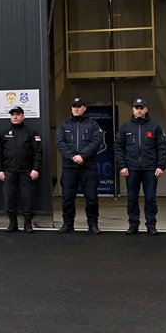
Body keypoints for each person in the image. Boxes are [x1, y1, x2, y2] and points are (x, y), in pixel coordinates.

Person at [115, 98, 166, 235]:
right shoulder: (125, 127)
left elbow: (162, 147)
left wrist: (161, 166)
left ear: (146, 109)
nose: (139, 110)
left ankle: (151, 225)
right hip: (131, 169)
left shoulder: (154, 127)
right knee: (132, 198)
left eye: (141, 108)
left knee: (150, 197)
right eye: (136, 108)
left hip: (150, 168)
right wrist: (122, 166)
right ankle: (133, 224)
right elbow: (118, 147)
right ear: (133, 109)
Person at [55, 97, 103, 234]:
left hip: (88, 166)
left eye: (79, 106)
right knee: (68, 197)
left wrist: (83, 156)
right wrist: (72, 157)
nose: (76, 108)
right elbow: (60, 143)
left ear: (84, 108)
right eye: (74, 106)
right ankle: (68, 223)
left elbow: (96, 141)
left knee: (92, 197)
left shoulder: (92, 124)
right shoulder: (64, 125)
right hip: (69, 166)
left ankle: (93, 224)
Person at [0, 106, 43, 232]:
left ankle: (27, 224)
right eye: (13, 115)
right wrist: (0, 170)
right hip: (9, 172)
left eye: (18, 114)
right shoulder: (4, 132)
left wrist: (35, 169)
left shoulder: (31, 132)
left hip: (26, 172)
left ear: (23, 116)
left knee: (27, 198)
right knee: (9, 198)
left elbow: (38, 152)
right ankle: (12, 223)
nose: (15, 117)